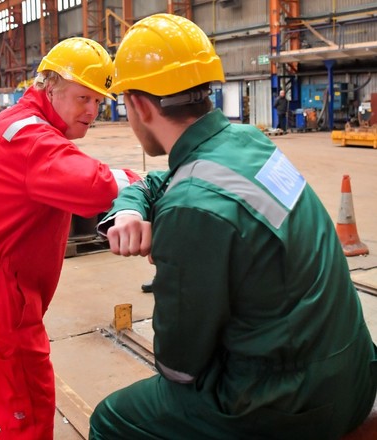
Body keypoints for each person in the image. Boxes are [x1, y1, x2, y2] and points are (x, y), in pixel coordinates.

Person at [90, 13, 377, 440]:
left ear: (138, 105)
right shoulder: (248, 142)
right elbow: (159, 181)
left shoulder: (190, 208)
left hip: (294, 404)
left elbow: (179, 366)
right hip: (355, 370)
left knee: (111, 419)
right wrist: (130, 209)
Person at [0, 37, 141, 440]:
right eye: (83, 97)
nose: (92, 111)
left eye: (98, 101)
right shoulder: (30, 137)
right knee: (29, 412)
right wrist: (146, 186)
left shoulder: (27, 125)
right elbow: (94, 185)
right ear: (50, 87)